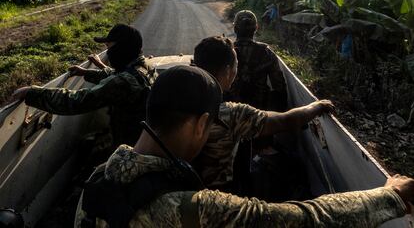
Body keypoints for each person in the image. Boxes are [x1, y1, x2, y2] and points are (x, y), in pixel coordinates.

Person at [74, 65, 413, 228]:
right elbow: (306, 219)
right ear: (202, 123)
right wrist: (391, 195)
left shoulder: (98, 180)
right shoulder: (196, 208)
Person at [193, 36, 331, 196]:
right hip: (221, 196)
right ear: (227, 71)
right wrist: (316, 106)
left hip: (189, 188)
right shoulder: (232, 114)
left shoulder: (182, 98)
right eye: (236, 65)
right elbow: (286, 121)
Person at [12, 24, 157, 147]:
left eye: (109, 47)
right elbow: (118, 75)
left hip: (131, 145)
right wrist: (86, 73)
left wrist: (32, 93)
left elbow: (77, 101)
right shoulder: (144, 67)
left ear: (121, 48)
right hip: (144, 138)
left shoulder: (123, 83)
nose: (108, 52)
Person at [230, 9, 287, 111]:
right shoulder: (266, 52)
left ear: (235, 29)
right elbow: (279, 86)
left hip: (231, 112)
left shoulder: (226, 51)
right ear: (256, 28)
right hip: (260, 112)